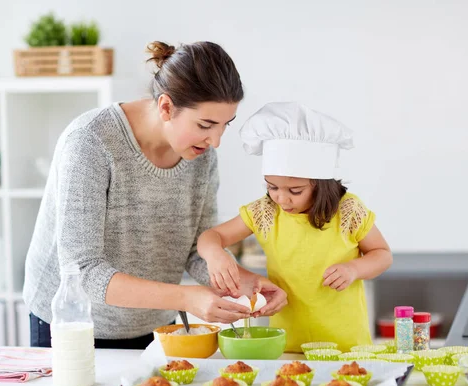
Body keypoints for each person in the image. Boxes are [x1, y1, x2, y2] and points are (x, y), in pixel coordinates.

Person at [23, 41, 287, 349]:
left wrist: (248, 284)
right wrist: (186, 298)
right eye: (205, 125)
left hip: (153, 323)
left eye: (224, 126)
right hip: (73, 324)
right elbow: (83, 272)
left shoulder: (200, 156)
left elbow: (195, 250)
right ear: (165, 107)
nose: (215, 141)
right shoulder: (90, 141)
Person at [198, 102, 393, 352]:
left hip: (345, 345)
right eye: (272, 186)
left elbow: (382, 255)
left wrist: (354, 269)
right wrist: (215, 255)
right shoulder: (265, 212)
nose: (281, 198)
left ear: (321, 184)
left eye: (295, 191)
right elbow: (210, 237)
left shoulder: (348, 210)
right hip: (287, 345)